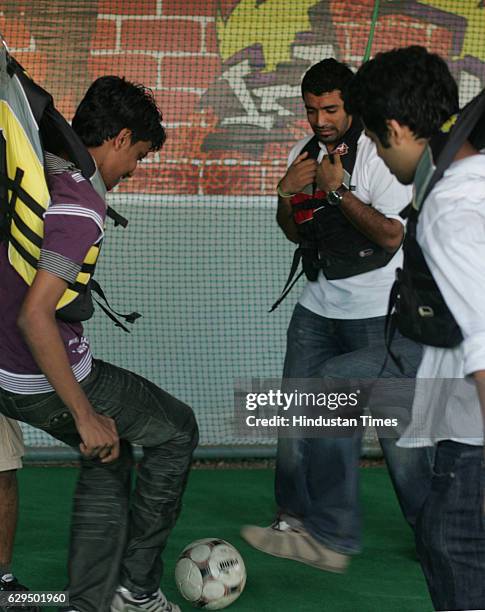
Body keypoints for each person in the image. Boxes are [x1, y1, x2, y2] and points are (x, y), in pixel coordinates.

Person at [0, 74, 198, 612]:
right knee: (176, 431)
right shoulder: (78, 205)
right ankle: (134, 591)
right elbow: (35, 317)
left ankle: (91, 599)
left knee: (109, 452)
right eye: (137, 154)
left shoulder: (37, 164)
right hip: (29, 375)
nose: (133, 169)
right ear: (118, 138)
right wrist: (83, 413)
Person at [241, 58, 432, 572]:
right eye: (311, 110)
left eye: (330, 108)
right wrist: (286, 192)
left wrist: (336, 188)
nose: (320, 120)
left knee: (402, 435)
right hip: (317, 309)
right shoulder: (303, 154)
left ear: (352, 105)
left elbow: (392, 235)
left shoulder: (378, 154)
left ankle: (434, 531)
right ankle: (295, 521)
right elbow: (294, 230)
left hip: (378, 312)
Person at [345, 44, 485, 611]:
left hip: (474, 448)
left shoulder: (451, 212)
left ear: (398, 129)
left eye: (378, 142)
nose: (381, 153)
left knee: (454, 555)